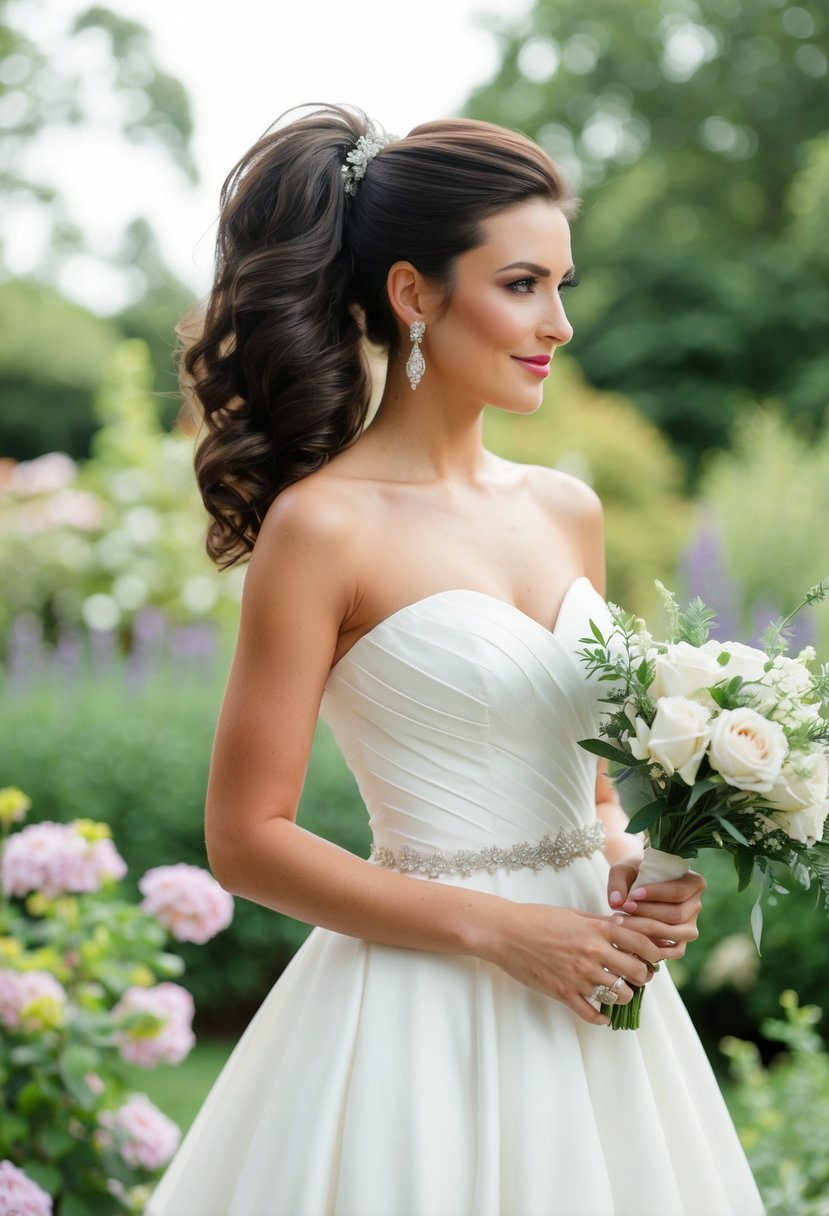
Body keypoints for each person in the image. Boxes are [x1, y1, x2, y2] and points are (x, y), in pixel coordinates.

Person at [147, 104, 764, 1216]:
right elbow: (245, 839)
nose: (559, 323)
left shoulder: (568, 510)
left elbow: (582, 783)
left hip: (600, 1000)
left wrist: (633, 862)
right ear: (413, 293)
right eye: (523, 283)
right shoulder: (322, 528)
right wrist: (504, 930)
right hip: (420, 1007)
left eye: (562, 285)